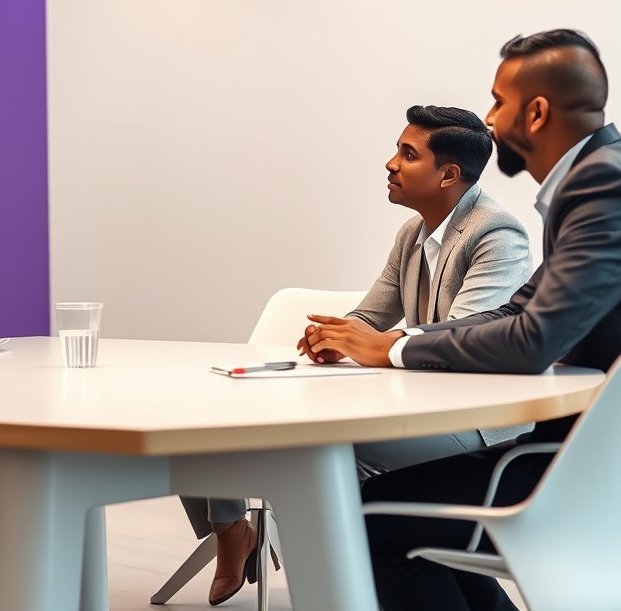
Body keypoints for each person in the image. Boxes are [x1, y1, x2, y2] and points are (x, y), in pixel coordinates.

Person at [305, 29, 621, 611]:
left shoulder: (606, 187)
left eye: (497, 101)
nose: (488, 116)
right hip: (610, 459)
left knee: (364, 516)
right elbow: (516, 313)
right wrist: (397, 341)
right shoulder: (607, 177)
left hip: (620, 479)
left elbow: (531, 342)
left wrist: (393, 350)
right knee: (385, 507)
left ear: (534, 112)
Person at [187, 106, 533, 606]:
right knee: (222, 420)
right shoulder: (413, 233)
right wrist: (335, 336)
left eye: (407, 154)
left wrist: (374, 343)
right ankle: (240, 535)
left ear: (448, 175)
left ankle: (341, 587)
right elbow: (370, 316)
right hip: (421, 408)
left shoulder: (497, 234)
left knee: (330, 457)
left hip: (480, 423)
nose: (390, 163)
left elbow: (463, 338)